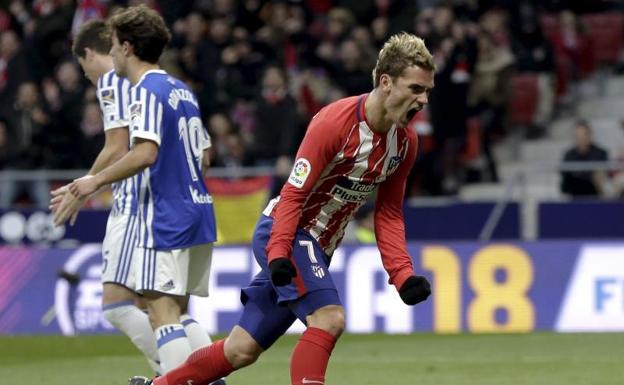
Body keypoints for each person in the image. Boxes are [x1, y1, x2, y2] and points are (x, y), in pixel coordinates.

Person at [129, 31, 434, 385]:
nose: (423, 100)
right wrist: (278, 254)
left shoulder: (405, 143)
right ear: (386, 82)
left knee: (241, 349)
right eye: (415, 89)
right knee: (329, 318)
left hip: (317, 248)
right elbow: (292, 195)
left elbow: (389, 213)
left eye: (427, 90)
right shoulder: (334, 123)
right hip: (287, 233)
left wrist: (401, 275)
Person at [58, 11, 223, 382]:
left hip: (166, 215)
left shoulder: (145, 90)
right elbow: (205, 155)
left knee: (159, 311)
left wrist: (93, 181)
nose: (111, 54)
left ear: (128, 48)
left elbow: (143, 152)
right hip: (199, 209)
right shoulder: (181, 89)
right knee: (179, 312)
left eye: (114, 46)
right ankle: (213, 379)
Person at [560, 120, 609, 197]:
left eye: (583, 135)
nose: (581, 138)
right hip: (574, 195)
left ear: (590, 135)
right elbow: (565, 178)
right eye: (578, 135)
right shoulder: (569, 155)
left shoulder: (601, 153)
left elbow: (602, 176)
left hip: (596, 195)